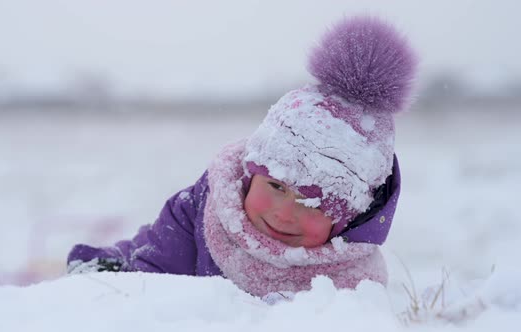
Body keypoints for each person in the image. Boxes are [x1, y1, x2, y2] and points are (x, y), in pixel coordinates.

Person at [67, 15, 417, 298]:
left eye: (311, 204)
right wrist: (109, 270)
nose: (284, 213)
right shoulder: (204, 212)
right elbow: (150, 265)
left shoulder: (350, 284)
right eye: (277, 186)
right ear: (251, 175)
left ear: (349, 219)